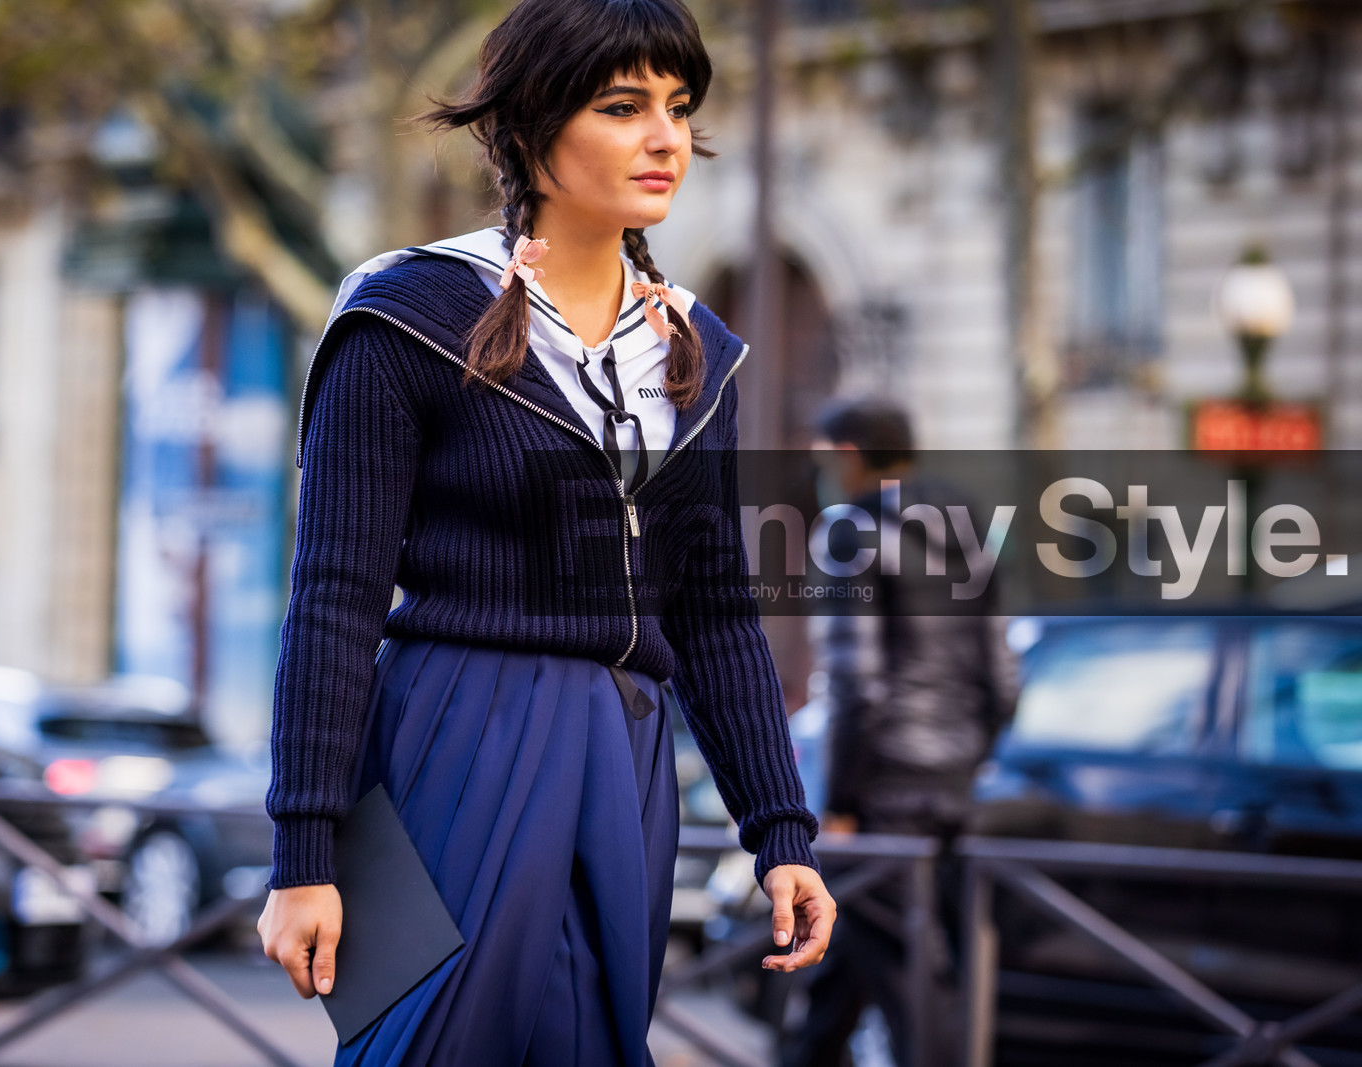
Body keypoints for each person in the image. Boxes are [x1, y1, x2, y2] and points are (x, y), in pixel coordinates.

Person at [255, 2, 837, 1063]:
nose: (665, 139)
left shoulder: (695, 351)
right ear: (528, 127)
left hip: (627, 748)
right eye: (623, 107)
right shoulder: (405, 315)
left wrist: (778, 829)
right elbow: (333, 595)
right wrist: (303, 851)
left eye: (677, 107)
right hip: (452, 729)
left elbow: (713, 610)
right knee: (420, 1045)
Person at [780, 398, 1018, 1067]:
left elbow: (857, 682)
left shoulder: (851, 528)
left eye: (821, 458)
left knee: (908, 975)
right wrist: (972, 752)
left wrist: (845, 802)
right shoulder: (967, 523)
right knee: (845, 957)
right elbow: (1002, 667)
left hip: (884, 784)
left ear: (848, 456)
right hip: (952, 777)